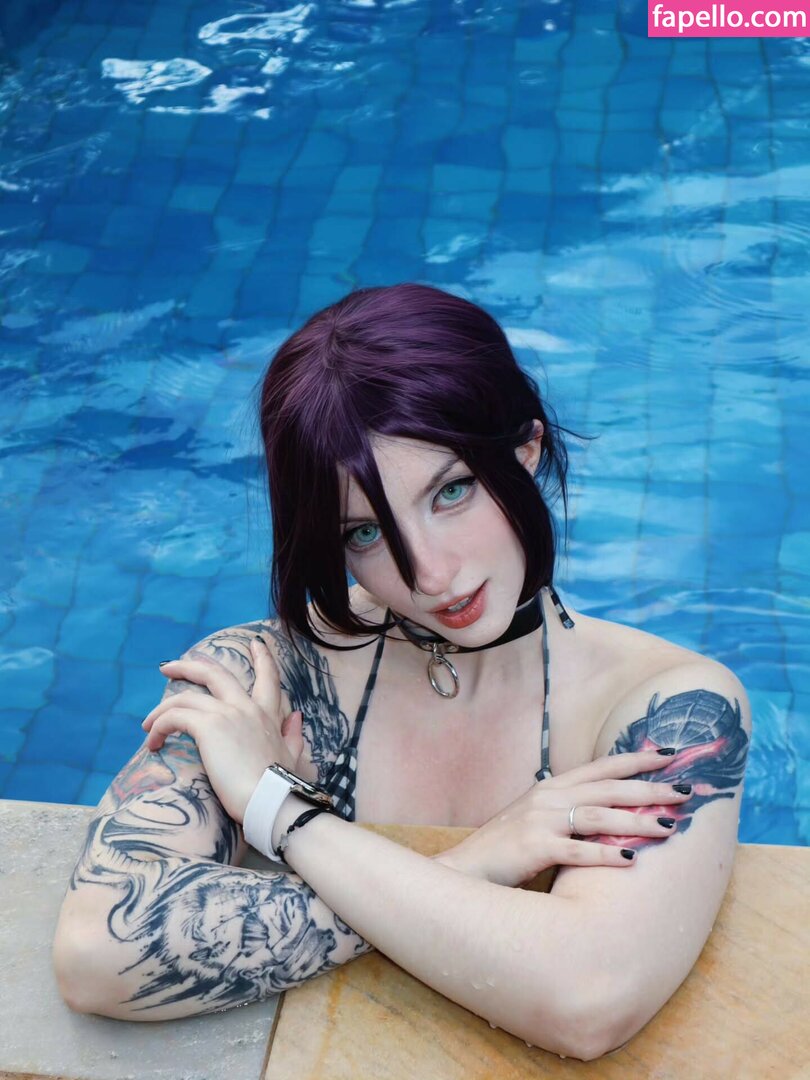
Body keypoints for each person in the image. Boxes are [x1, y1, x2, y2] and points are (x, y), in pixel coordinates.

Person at [53, 283, 750, 1059]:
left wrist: (278, 811)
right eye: (364, 532)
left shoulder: (665, 705)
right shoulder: (261, 678)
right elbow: (95, 952)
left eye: (451, 492)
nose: (428, 574)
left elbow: (588, 999)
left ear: (525, 450)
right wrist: (476, 863)